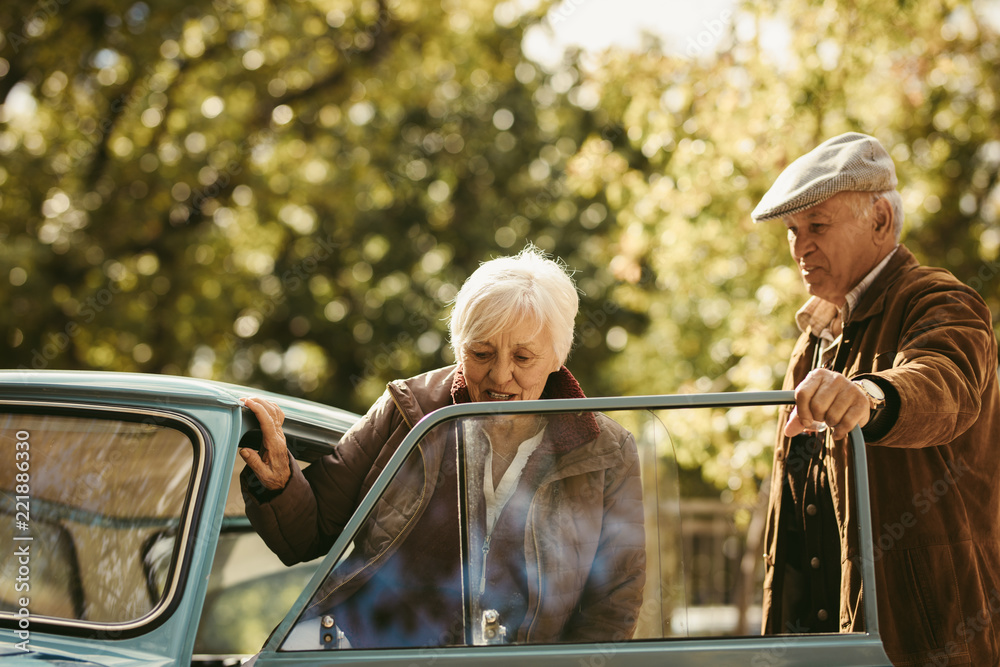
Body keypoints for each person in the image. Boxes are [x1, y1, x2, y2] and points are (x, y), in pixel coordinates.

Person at [239, 245, 646, 649]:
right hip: (367, 647)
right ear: (458, 347)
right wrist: (280, 483)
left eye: (523, 357)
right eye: (481, 353)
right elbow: (307, 536)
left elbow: (612, 606)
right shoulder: (407, 409)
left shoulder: (608, 451)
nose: (500, 375)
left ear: (558, 357)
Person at [752, 131, 1000, 665]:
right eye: (792, 231)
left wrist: (869, 396)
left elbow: (945, 382)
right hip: (826, 649)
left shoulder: (941, 298)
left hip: (927, 647)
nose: (798, 247)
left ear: (881, 221)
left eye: (817, 225)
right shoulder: (812, 343)